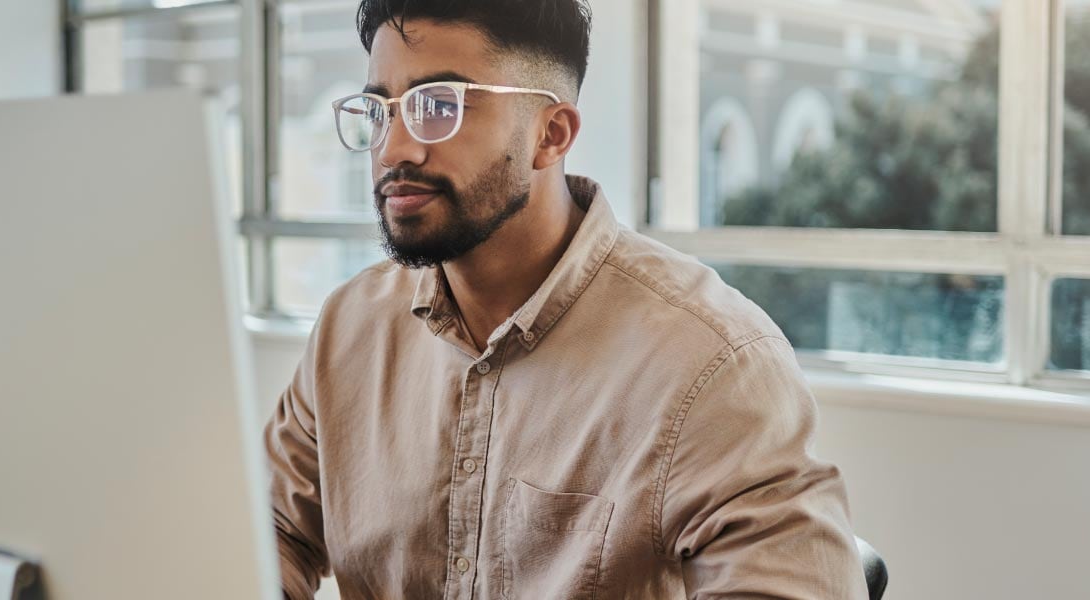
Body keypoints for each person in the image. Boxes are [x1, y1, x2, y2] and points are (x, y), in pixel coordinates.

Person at [264, 0, 866, 597]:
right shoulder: (351, 328)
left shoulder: (712, 362)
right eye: (379, 111)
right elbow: (270, 531)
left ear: (551, 136)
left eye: (438, 106)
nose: (393, 150)